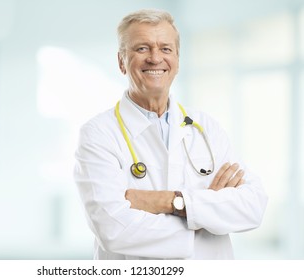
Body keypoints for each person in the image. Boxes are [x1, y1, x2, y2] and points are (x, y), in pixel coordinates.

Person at [74, 9, 267, 259]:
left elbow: (252, 207)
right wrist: (207, 215)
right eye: (142, 48)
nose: (155, 58)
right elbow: (114, 229)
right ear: (121, 62)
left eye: (165, 49)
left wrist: (171, 202)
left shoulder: (205, 127)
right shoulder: (98, 134)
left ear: (177, 60)